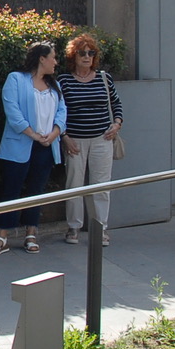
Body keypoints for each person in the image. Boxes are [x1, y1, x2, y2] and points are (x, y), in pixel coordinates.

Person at [0, 41, 66, 256]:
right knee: (11, 190)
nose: (56, 62)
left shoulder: (54, 85)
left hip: (47, 146)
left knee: (36, 191)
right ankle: (2, 236)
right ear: (42, 58)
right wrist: (33, 134)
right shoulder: (16, 79)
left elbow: (62, 111)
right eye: (53, 57)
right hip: (21, 145)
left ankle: (31, 234)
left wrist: (54, 133)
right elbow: (12, 112)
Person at [58, 34, 123, 247]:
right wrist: (64, 137)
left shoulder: (104, 78)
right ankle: (74, 227)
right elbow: (57, 112)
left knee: (101, 186)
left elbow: (116, 103)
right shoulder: (64, 81)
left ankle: (100, 229)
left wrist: (117, 124)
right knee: (74, 185)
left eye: (91, 53)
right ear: (73, 56)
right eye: (82, 53)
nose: (87, 57)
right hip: (75, 141)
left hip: (101, 139)